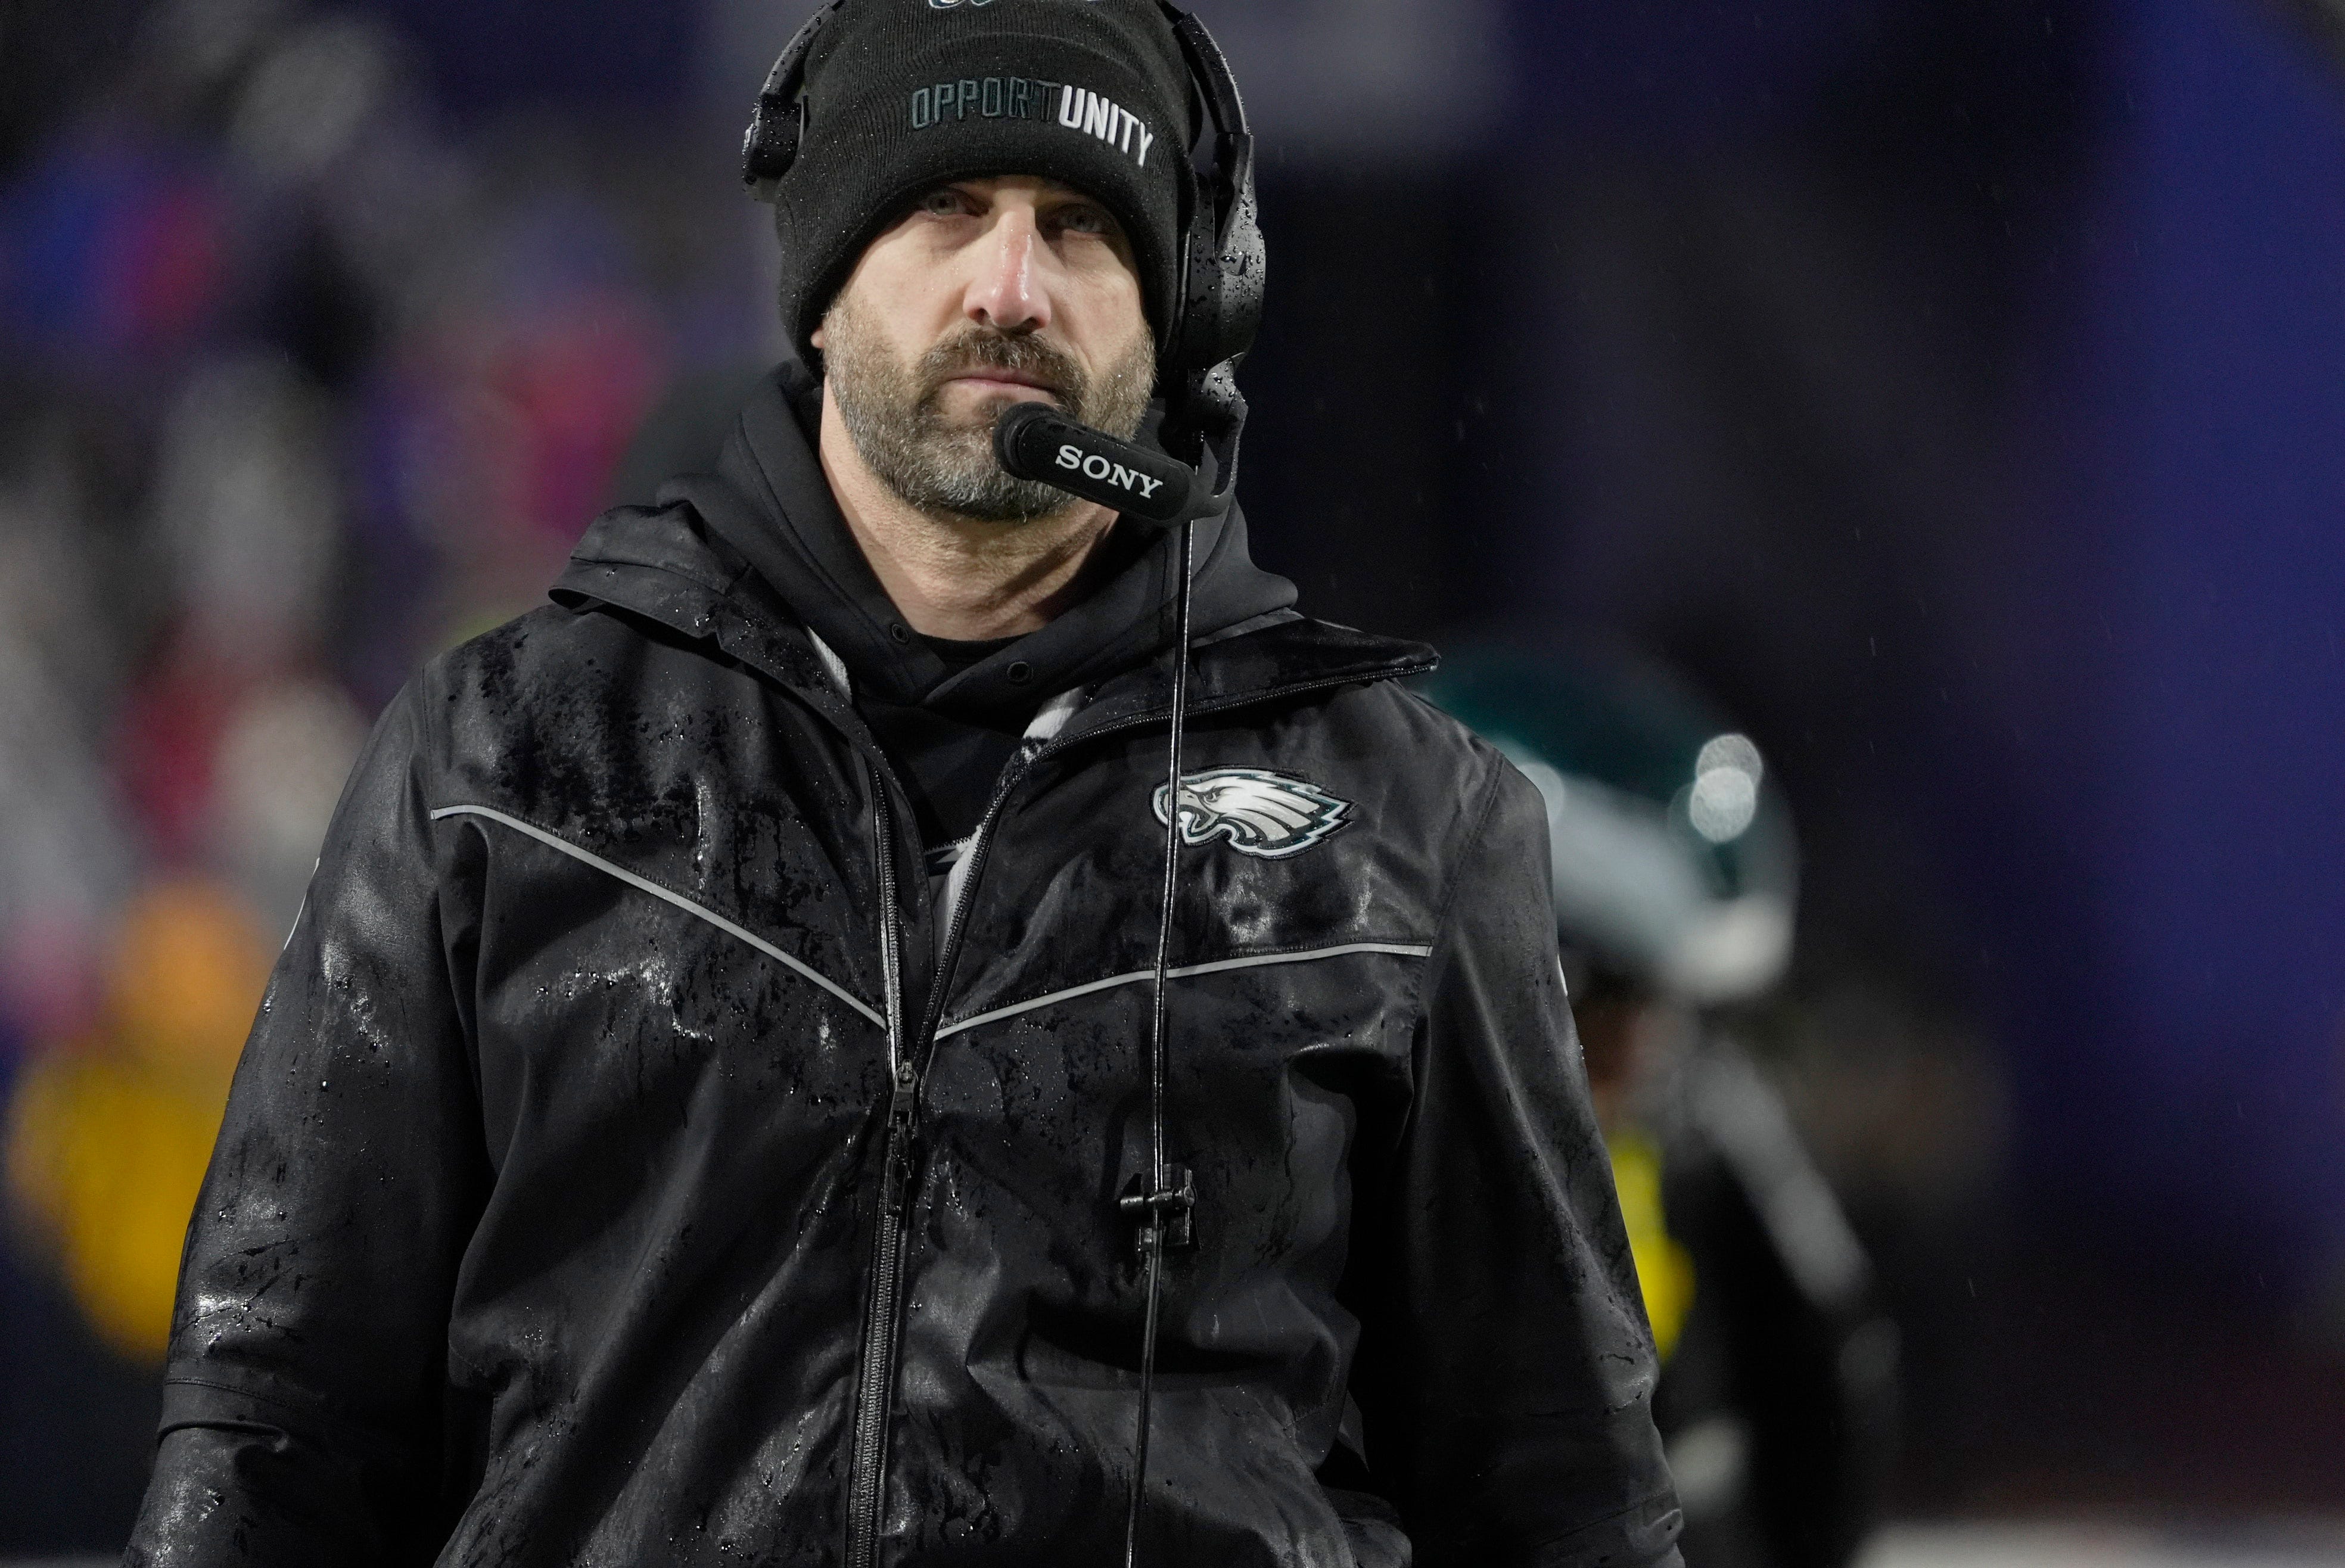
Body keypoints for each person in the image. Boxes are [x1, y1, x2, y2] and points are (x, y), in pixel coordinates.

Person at [125, 4, 1683, 1565]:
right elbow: (281, 1424)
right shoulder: (493, 769)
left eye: (1079, 227)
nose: (1009, 286)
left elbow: (1558, 1493)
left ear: (1183, 314)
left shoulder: (1409, 827)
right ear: (820, 285)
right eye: (948, 209)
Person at [1422, 647, 1899, 1568]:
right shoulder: (1391, 1130)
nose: (1643, 1048)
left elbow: (1830, 1360)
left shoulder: (1696, 1112)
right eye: (1601, 997)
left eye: (1653, 1005)